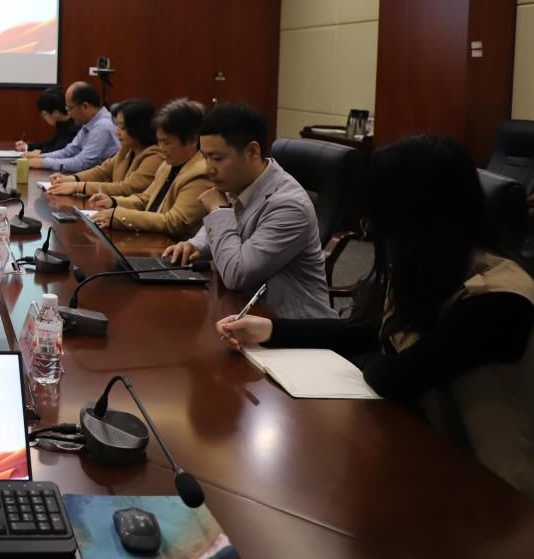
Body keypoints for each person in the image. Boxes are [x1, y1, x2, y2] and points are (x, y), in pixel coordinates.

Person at [217, 134, 534, 497]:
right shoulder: (435, 264)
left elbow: (394, 374)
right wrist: (272, 329)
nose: (369, 224)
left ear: (420, 211)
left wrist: (374, 353)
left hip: (494, 486)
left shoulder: (500, 298)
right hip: (427, 449)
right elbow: (368, 330)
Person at [163, 104, 335, 319]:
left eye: (217, 158)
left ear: (253, 152)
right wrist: (194, 245)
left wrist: (218, 210)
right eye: (205, 157)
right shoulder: (240, 181)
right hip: (246, 312)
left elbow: (236, 274)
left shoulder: (289, 206)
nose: (209, 169)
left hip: (293, 327)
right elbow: (219, 232)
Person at [88, 98, 212, 239]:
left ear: (192, 141)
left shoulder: (200, 172)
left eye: (167, 143)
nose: (161, 148)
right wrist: (113, 202)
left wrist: (120, 216)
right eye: (159, 141)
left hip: (171, 246)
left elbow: (175, 221)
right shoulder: (168, 164)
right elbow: (145, 199)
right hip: (150, 238)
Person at [46, 99, 162, 198]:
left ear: (139, 128)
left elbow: (126, 188)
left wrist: (78, 187)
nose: (117, 132)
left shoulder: (155, 157)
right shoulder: (127, 149)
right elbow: (102, 171)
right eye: (117, 126)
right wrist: (72, 179)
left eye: (123, 128)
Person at [24, 82, 119, 173]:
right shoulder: (89, 123)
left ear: (84, 106)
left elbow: (82, 163)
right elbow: (69, 151)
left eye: (70, 108)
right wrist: (41, 157)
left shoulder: (102, 126)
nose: (68, 113)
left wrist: (44, 163)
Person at [19, 87, 78, 154]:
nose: (44, 118)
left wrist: (41, 153)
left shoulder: (73, 128)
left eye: (44, 114)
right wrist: (27, 146)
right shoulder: (63, 124)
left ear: (56, 112)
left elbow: (59, 151)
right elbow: (49, 144)